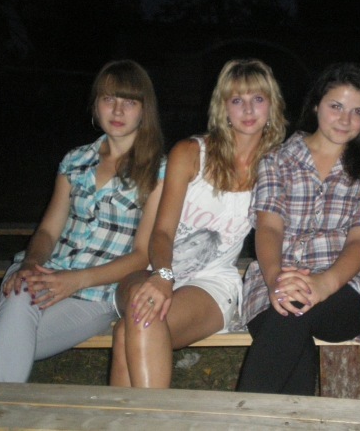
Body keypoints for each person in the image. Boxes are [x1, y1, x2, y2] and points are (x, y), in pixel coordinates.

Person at [0, 60, 166, 382]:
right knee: (22, 290)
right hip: (46, 271)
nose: (117, 110)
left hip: (96, 291)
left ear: (145, 110)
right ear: (95, 105)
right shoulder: (76, 160)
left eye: (129, 102)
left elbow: (142, 254)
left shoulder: (158, 170)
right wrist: (31, 263)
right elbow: (48, 230)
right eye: (108, 99)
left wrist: (75, 281)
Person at [109, 58, 287, 388]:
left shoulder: (277, 166)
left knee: (133, 327)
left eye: (258, 99)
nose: (248, 109)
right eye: (237, 100)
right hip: (152, 269)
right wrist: (163, 276)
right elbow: (162, 231)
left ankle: (136, 415)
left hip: (211, 282)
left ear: (271, 105)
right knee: (141, 314)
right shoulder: (191, 153)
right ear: (224, 107)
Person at [236, 63, 360, 395]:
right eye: (336, 106)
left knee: (292, 311)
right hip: (275, 279)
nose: (345, 119)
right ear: (317, 104)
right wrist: (276, 278)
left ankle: (245, 415)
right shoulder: (277, 160)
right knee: (290, 318)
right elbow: (269, 228)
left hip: (344, 287)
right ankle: (287, 417)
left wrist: (323, 283)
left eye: (357, 112)